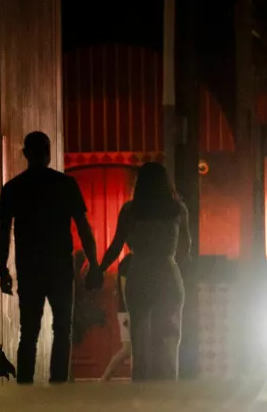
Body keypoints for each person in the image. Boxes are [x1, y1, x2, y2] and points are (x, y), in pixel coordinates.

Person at [0, 131, 100, 385]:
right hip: (60, 269)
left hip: (30, 269)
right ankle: (58, 385)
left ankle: (24, 386)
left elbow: (3, 233)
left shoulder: (13, 188)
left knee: (29, 332)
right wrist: (95, 263)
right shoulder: (65, 185)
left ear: (25, 154)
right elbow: (83, 228)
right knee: (62, 329)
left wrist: (3, 269)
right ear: (49, 152)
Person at [87, 162, 190, 381]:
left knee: (139, 340)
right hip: (167, 272)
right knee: (169, 337)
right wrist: (171, 261)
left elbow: (116, 246)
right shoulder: (177, 210)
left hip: (139, 273)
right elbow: (185, 246)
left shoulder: (130, 210)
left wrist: (99, 269)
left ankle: (141, 394)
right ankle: (169, 393)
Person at [100, 253, 133, 382]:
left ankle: (135, 380)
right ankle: (104, 377)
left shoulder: (130, 261)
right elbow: (124, 289)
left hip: (128, 310)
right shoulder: (127, 262)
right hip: (126, 311)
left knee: (132, 349)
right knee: (127, 349)